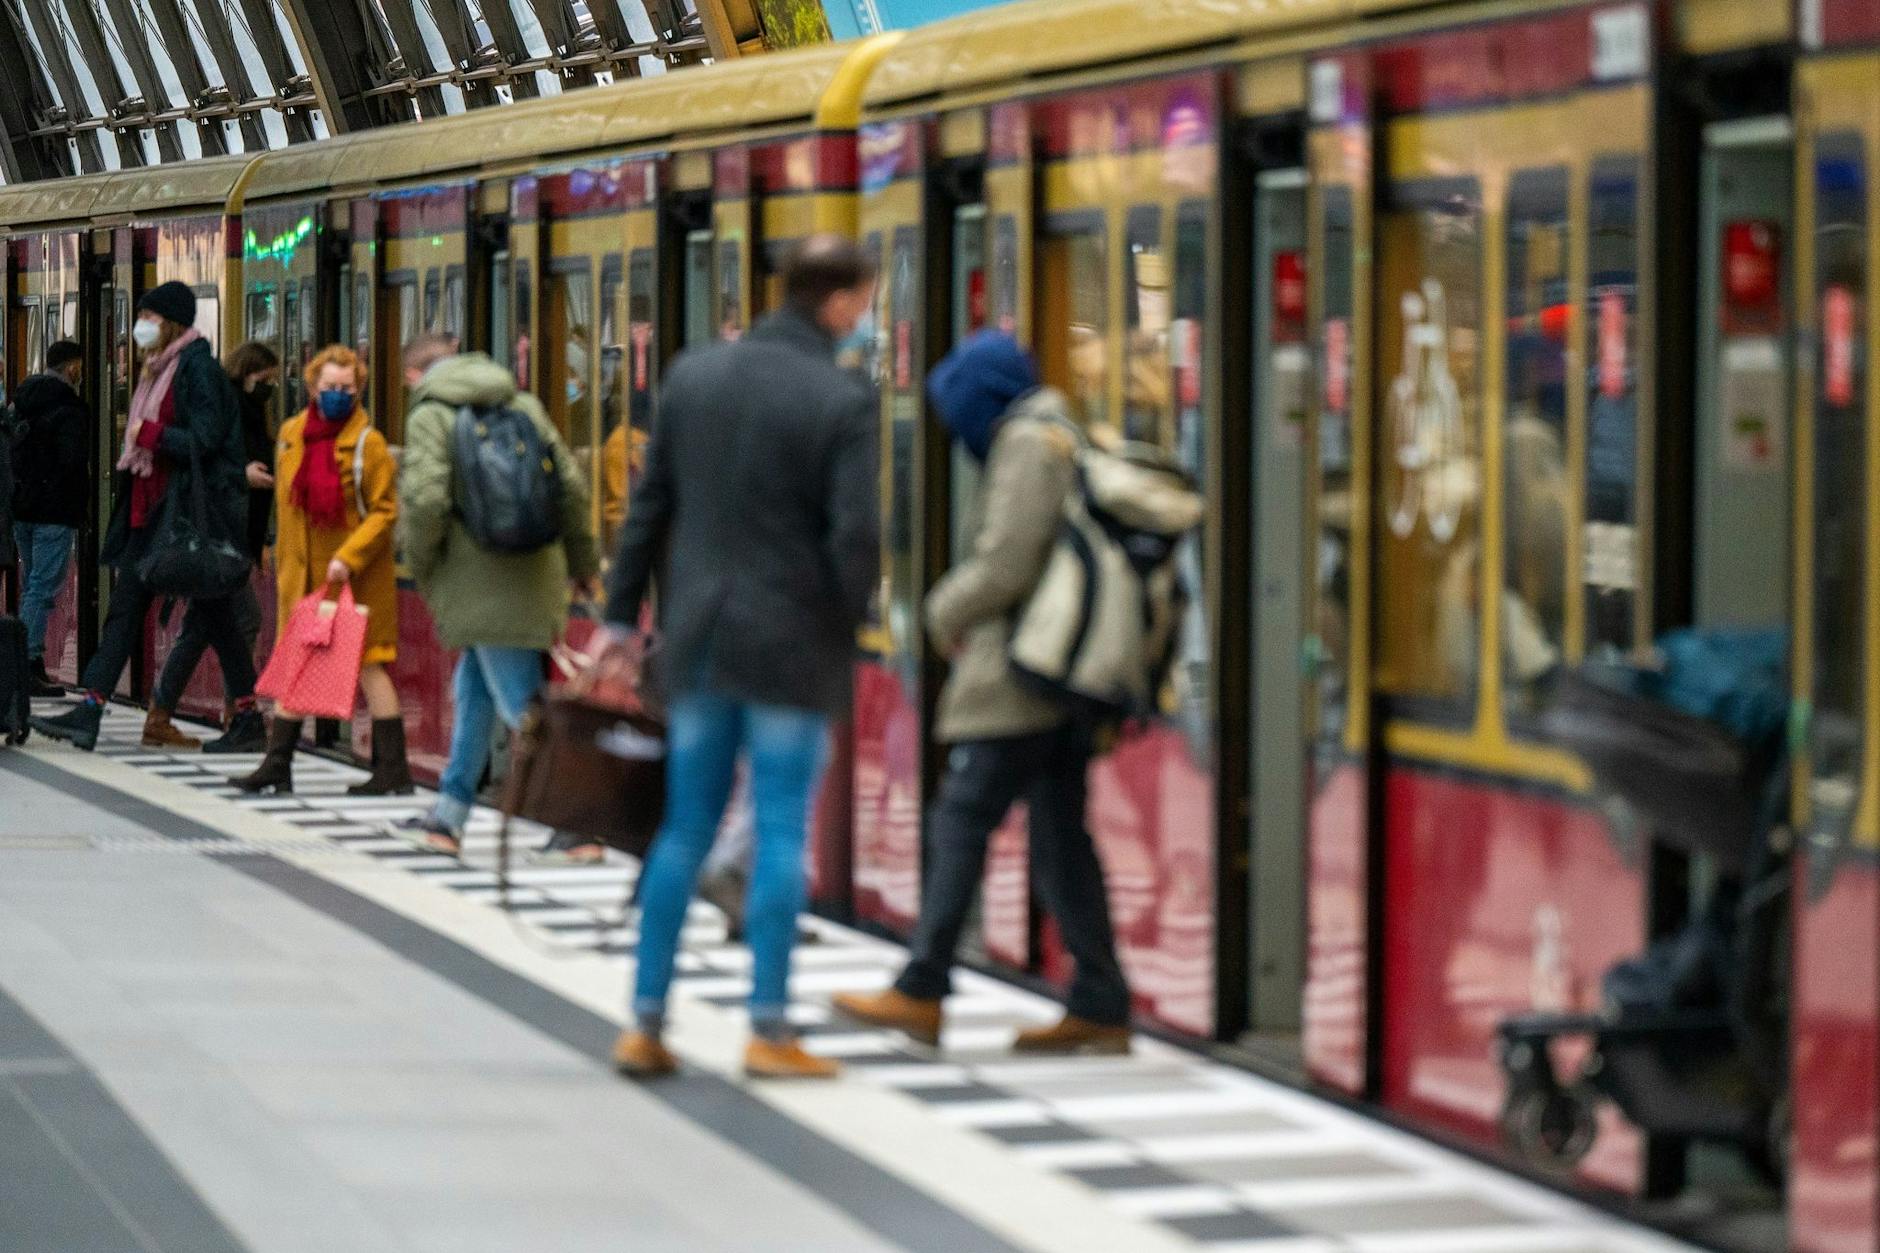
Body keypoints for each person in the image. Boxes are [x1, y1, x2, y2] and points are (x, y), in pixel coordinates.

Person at [603, 234, 878, 1081]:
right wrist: (851, 620)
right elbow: (857, 537)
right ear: (838, 303)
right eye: (864, 302)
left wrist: (619, 618)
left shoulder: (694, 377)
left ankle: (645, 1024)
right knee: (783, 826)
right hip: (793, 644)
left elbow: (649, 507)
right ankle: (767, 1027)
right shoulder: (840, 396)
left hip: (700, 637)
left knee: (684, 826)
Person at [835, 331, 1132, 1056]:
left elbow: (1006, 560)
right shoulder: (1057, 432)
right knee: (1061, 835)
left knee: (961, 818)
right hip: (1053, 668)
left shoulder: (1029, 442)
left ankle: (922, 986)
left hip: (1021, 671)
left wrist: (940, 612)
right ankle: (1099, 1000)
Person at [392, 332, 600, 854]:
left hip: (476, 579)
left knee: (521, 707)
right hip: (537, 571)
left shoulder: (429, 416)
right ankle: (448, 816)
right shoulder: (523, 403)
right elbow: (571, 486)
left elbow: (424, 500)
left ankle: (579, 822)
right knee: (475, 694)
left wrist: (421, 563)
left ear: (416, 376)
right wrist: (582, 564)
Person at [33, 282, 263, 753]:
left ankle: (246, 718)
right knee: (129, 611)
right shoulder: (159, 369)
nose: (142, 327)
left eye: (150, 318)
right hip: (154, 513)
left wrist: (148, 432)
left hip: (184, 516)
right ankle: (91, 708)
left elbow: (206, 439)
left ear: (172, 322)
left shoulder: (197, 368)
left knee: (215, 615)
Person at [235, 345, 409, 795]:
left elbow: (385, 512)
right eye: (329, 386)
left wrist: (347, 558)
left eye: (346, 388)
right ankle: (278, 764)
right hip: (303, 578)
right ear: (312, 387)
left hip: (355, 578)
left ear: (359, 390)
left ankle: (392, 770)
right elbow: (286, 504)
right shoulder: (291, 434)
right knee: (297, 663)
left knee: (371, 667)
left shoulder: (368, 443)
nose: (337, 394)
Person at [143, 340, 279, 748]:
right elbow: (214, 465)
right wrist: (241, 475)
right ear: (247, 372)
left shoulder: (249, 410)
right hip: (218, 538)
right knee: (234, 620)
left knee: (203, 626)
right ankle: (239, 714)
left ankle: (169, 714)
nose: (270, 386)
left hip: (228, 539)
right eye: (265, 378)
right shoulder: (230, 408)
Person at [10, 340, 89, 697]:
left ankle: (31, 660)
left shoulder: (21, 400)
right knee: (43, 587)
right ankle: (25, 663)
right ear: (72, 368)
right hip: (54, 511)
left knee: (32, 584)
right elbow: (72, 461)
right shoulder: (69, 409)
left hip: (22, 508)